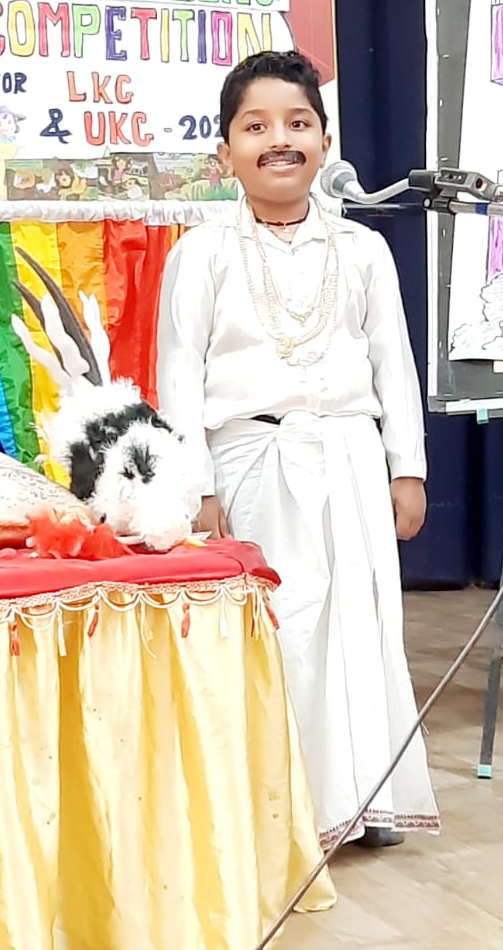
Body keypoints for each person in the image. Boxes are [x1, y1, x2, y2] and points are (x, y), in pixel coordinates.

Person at [156, 50, 439, 849]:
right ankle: (284, 811)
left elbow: (392, 364)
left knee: (360, 625)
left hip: (349, 454)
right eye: (255, 127)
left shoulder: (361, 249)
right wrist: (194, 486)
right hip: (251, 460)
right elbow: (177, 373)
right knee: (282, 630)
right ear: (225, 152)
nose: (278, 140)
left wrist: (406, 468)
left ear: (323, 141)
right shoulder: (201, 252)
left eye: (297, 123)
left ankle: (367, 799)